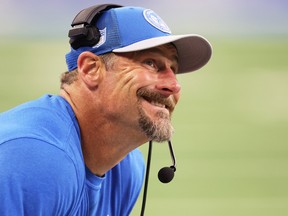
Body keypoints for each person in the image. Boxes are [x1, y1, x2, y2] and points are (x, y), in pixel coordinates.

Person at [0, 4, 212, 216]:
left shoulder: (126, 169)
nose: (173, 85)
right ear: (91, 70)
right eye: (150, 63)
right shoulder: (33, 158)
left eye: (173, 70)